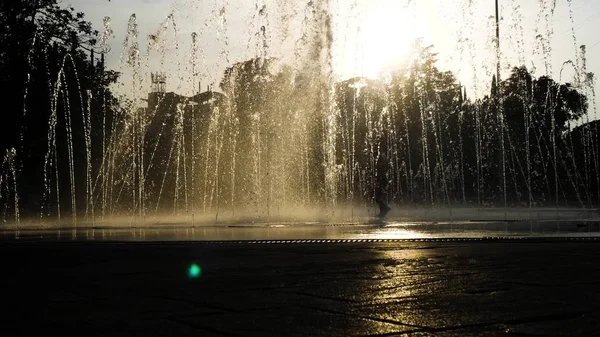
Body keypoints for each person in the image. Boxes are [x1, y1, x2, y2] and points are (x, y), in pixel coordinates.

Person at [375, 153, 391, 219]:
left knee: (378, 196)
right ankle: (382, 211)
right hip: (382, 180)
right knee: (379, 196)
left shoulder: (381, 165)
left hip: (382, 180)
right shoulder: (383, 165)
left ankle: (385, 208)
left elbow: (382, 173)